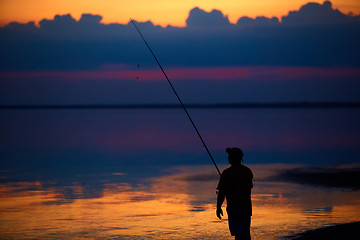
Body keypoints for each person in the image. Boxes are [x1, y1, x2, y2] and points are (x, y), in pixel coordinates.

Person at [216, 147, 253, 240]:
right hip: (246, 208)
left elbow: (221, 193)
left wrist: (218, 207)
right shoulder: (247, 171)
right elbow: (249, 188)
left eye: (229, 156)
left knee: (238, 234)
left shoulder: (226, 173)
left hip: (234, 209)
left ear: (231, 158)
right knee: (246, 233)